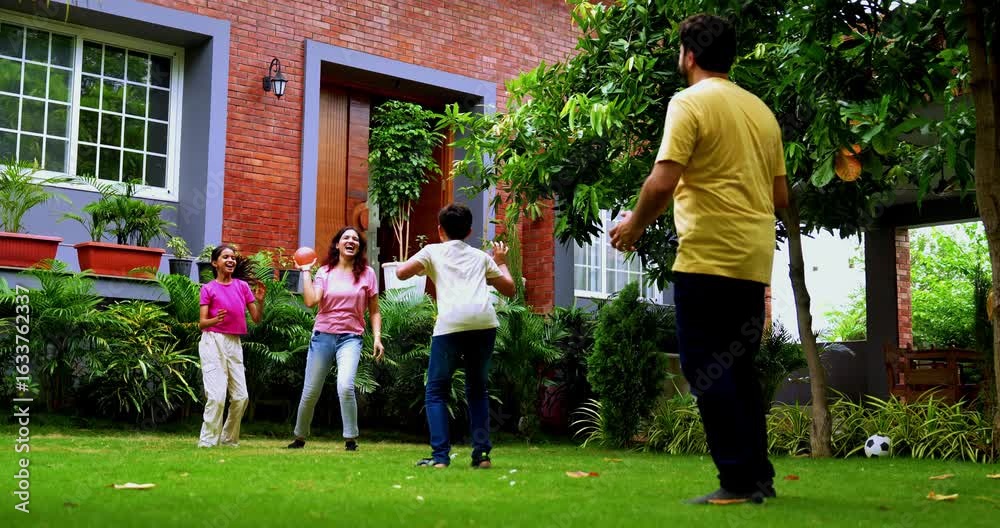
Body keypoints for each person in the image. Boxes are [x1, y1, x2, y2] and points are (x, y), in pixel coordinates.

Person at [609, 14, 789, 504]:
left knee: (706, 367)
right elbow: (781, 197)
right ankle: (758, 477)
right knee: (739, 369)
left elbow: (663, 180)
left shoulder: (689, 103)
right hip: (752, 260)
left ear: (688, 54)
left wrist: (632, 226)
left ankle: (736, 481)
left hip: (708, 254)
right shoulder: (761, 112)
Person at [395, 203, 516, 468]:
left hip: (451, 325)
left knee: (436, 391)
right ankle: (482, 455)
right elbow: (509, 289)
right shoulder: (481, 257)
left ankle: (440, 458)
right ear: (469, 231)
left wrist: (421, 266)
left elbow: (401, 272)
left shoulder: (432, 251)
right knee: (477, 390)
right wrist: (502, 262)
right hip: (484, 323)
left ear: (440, 230)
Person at [287, 226, 384, 451]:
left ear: (359, 247)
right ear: (338, 245)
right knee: (311, 390)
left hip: (351, 338)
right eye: (346, 238)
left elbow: (375, 310)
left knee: (345, 386)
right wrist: (305, 272)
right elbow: (311, 301)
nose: (351, 241)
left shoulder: (368, 273)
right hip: (323, 336)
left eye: (355, 239)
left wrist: (377, 338)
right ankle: (299, 437)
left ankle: (351, 439)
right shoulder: (324, 272)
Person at [197, 244, 264, 448]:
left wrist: (260, 301)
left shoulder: (242, 287)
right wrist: (215, 320)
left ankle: (228, 439)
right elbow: (202, 324)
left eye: (233, 257)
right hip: (212, 341)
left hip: (234, 343)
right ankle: (207, 441)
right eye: (225, 257)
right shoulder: (208, 288)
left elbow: (256, 318)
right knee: (216, 396)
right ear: (215, 263)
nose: (231, 260)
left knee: (241, 397)